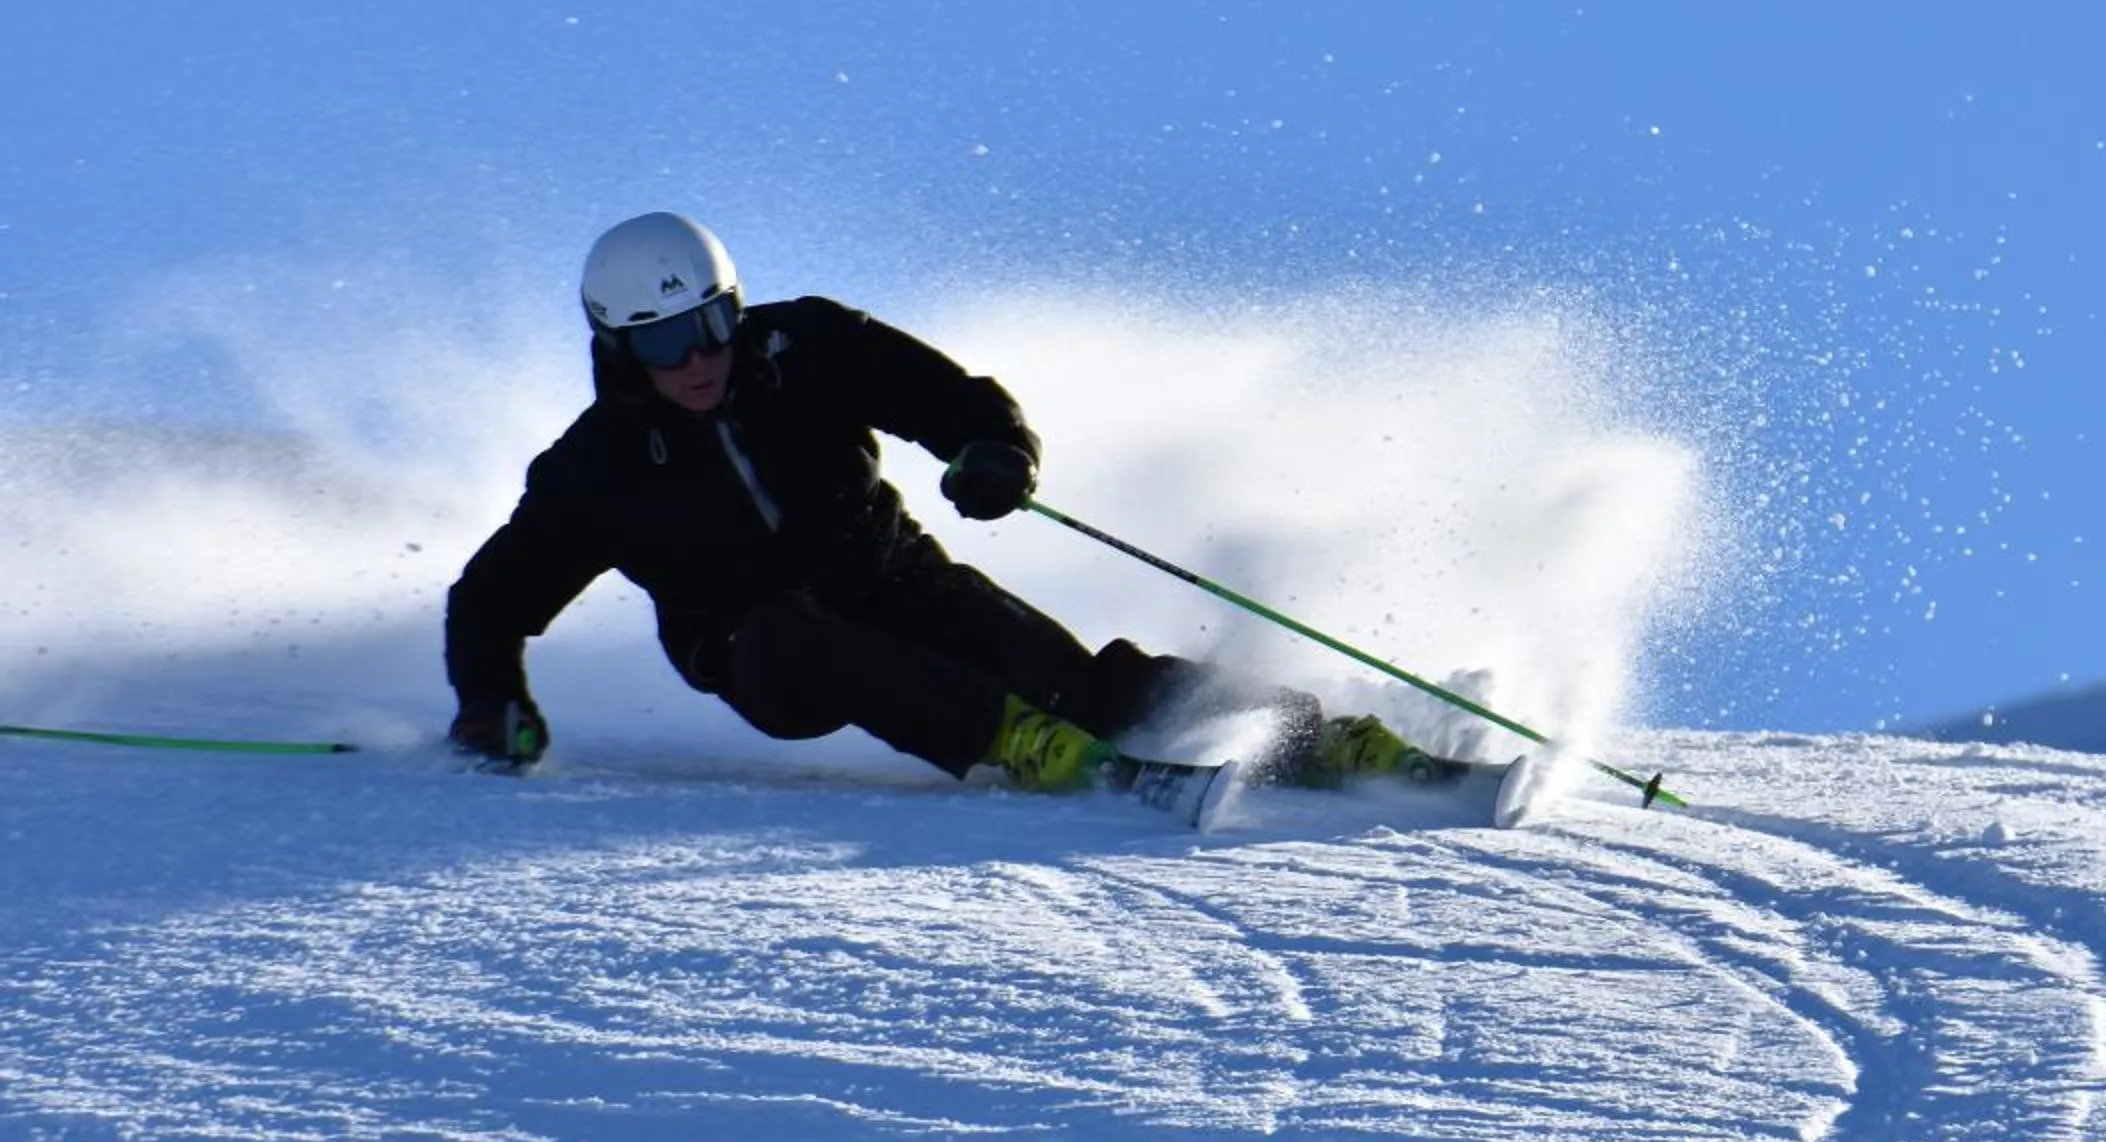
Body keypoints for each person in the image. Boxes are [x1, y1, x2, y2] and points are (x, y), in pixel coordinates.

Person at [444, 211, 1429, 791]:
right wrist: (492, 700)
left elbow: (948, 398)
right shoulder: (598, 467)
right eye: (666, 343)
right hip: (760, 653)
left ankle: (1320, 736)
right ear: (620, 346)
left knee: (1078, 683)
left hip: (896, 578)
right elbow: (492, 599)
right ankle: (1012, 746)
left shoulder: (805, 349)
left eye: (710, 326)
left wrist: (993, 451)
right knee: (793, 631)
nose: (698, 359)